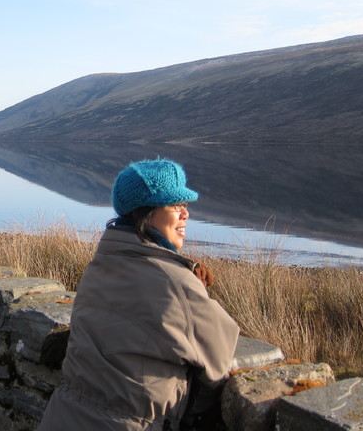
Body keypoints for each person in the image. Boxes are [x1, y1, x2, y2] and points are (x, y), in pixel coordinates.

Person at [37, 158, 239, 431]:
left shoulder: (98, 266)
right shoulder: (177, 282)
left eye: (186, 206)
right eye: (175, 205)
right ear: (145, 213)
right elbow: (218, 360)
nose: (185, 214)